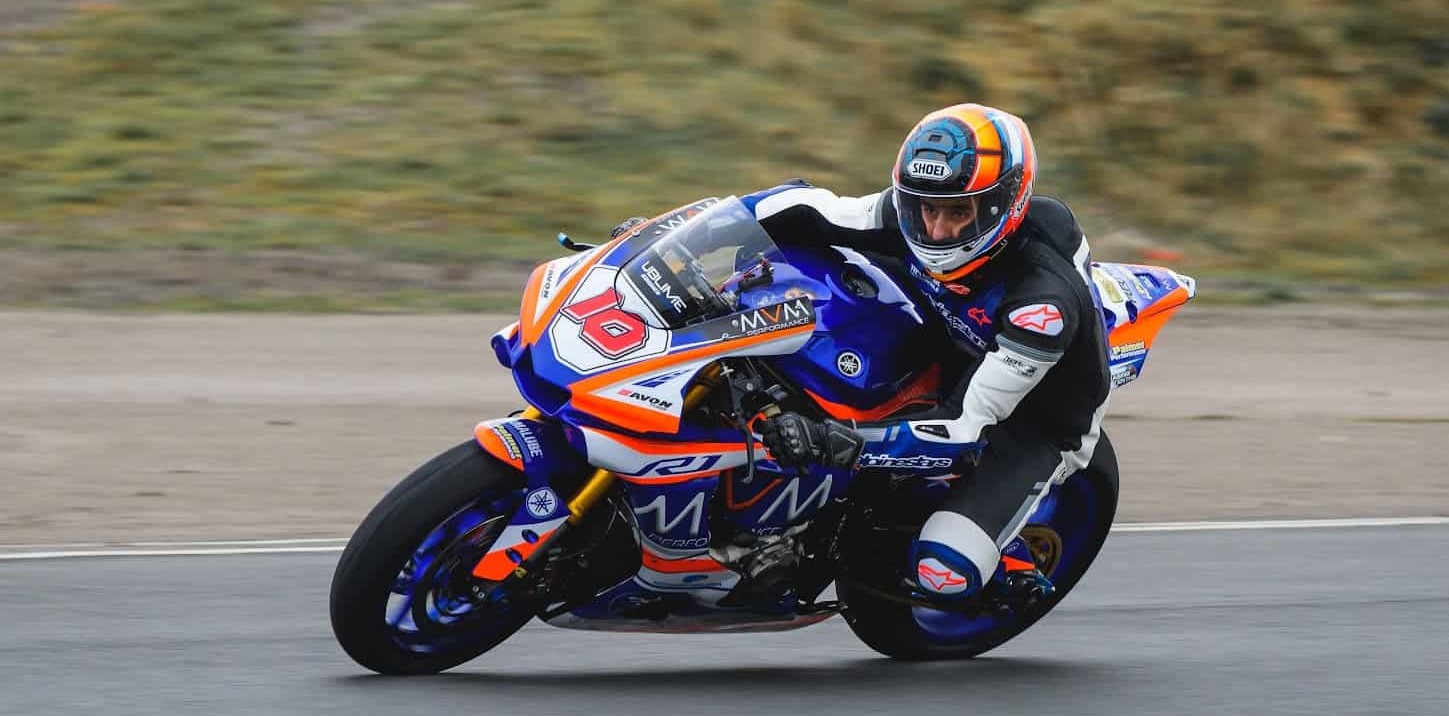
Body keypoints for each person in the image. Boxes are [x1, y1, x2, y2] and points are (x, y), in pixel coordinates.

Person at [737, 104, 1112, 603]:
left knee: (945, 572)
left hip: (1030, 418)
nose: (935, 230)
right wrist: (668, 237)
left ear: (1004, 206)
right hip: (946, 338)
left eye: (958, 213)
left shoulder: (1041, 304)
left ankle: (1013, 565)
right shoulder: (915, 210)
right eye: (924, 208)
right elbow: (805, 209)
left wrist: (830, 442)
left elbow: (966, 425)